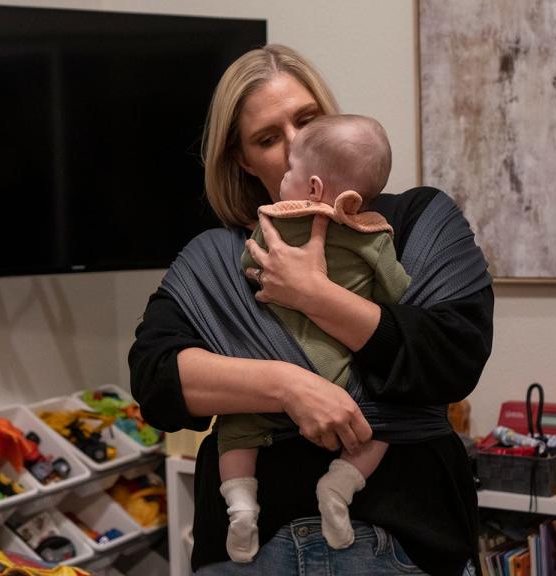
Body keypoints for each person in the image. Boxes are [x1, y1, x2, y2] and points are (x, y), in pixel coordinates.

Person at [128, 44, 493, 575]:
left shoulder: (413, 222)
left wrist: (312, 294)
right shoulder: (216, 256)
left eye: (306, 119)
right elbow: (156, 379)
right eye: (267, 138)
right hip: (247, 554)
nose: (296, 143)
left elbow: (451, 355)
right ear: (242, 160)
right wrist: (288, 386)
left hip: (403, 540)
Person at [218, 114, 410, 562]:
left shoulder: (269, 227)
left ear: (313, 189)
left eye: (291, 171)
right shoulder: (372, 238)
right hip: (337, 374)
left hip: (264, 362)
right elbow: (399, 296)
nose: (284, 172)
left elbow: (247, 271)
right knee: (381, 426)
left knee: (235, 429)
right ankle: (339, 486)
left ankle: (242, 505)